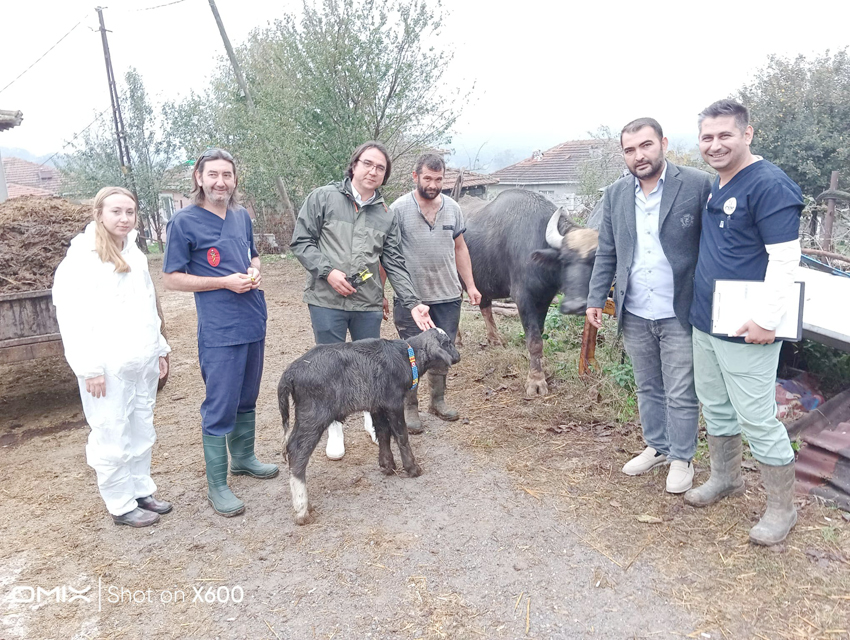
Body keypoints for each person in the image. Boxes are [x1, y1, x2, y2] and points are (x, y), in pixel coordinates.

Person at [685, 99, 803, 546]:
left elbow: (785, 259)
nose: (715, 145)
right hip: (707, 319)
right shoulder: (719, 183)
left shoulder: (769, 184)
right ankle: (725, 478)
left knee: (756, 415)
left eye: (724, 135)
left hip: (747, 325)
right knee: (714, 405)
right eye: (707, 137)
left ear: (748, 134)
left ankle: (781, 510)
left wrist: (766, 319)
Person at [586, 118, 712, 494]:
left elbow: (714, 246)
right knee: (647, 386)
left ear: (663, 144)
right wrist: (597, 297)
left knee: (680, 390)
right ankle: (658, 446)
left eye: (646, 145)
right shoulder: (616, 194)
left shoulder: (697, 183)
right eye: (629, 149)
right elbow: (607, 250)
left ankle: (683, 457)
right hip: (635, 308)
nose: (638, 155)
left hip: (680, 308)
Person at [290, 140, 435, 461]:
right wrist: (327, 272)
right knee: (330, 368)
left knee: (371, 367)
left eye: (380, 168)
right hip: (326, 299)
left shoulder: (386, 214)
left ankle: (371, 419)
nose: (373, 171)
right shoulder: (323, 198)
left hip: (367, 302)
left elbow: (394, 261)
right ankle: (335, 429)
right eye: (368, 163)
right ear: (354, 164)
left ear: (385, 176)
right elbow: (301, 242)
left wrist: (412, 302)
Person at [162, 148, 278, 518]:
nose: (220, 182)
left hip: (252, 321)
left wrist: (254, 270)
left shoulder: (241, 216)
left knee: (248, 395)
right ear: (199, 178)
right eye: (213, 174)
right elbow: (172, 279)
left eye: (227, 175)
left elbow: (253, 255)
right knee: (220, 404)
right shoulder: (184, 222)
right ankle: (217, 485)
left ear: (234, 179)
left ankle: (243, 458)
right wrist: (223, 282)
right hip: (219, 329)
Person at [53, 186, 172, 528]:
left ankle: (140, 489)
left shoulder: (133, 253)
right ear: (99, 214)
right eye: (116, 211)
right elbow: (73, 319)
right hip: (106, 365)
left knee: (140, 427)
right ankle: (120, 502)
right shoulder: (81, 260)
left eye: (129, 212)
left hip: (140, 360)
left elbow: (148, 307)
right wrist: (89, 367)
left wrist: (159, 348)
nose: (124, 218)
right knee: (111, 431)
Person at [388, 153, 481, 432]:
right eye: (427, 178)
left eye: (438, 179)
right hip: (411, 299)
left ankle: (437, 401)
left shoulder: (453, 208)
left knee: (442, 352)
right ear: (415, 177)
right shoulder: (398, 209)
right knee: (412, 356)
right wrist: (380, 291)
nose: (433, 184)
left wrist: (471, 286)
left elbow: (460, 248)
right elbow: (388, 255)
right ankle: (410, 408)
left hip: (448, 295)